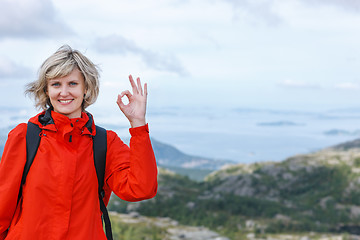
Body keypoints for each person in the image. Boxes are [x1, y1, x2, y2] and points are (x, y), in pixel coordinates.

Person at [0, 45, 158, 239]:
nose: (64, 92)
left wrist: (138, 124)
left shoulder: (105, 142)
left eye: (72, 84)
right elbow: (2, 205)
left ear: (86, 89)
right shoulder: (24, 137)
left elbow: (141, 188)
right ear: (46, 90)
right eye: (56, 84)